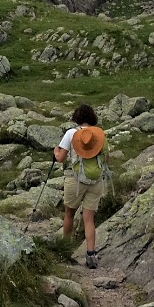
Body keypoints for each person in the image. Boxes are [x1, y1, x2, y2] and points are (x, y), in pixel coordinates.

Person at [53, 103, 106, 269]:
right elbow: (106, 159)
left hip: (75, 181)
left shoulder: (71, 133)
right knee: (89, 218)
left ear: (76, 118)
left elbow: (60, 158)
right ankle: (91, 255)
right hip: (95, 181)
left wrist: (55, 151)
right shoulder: (100, 134)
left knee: (69, 214)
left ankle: (65, 250)